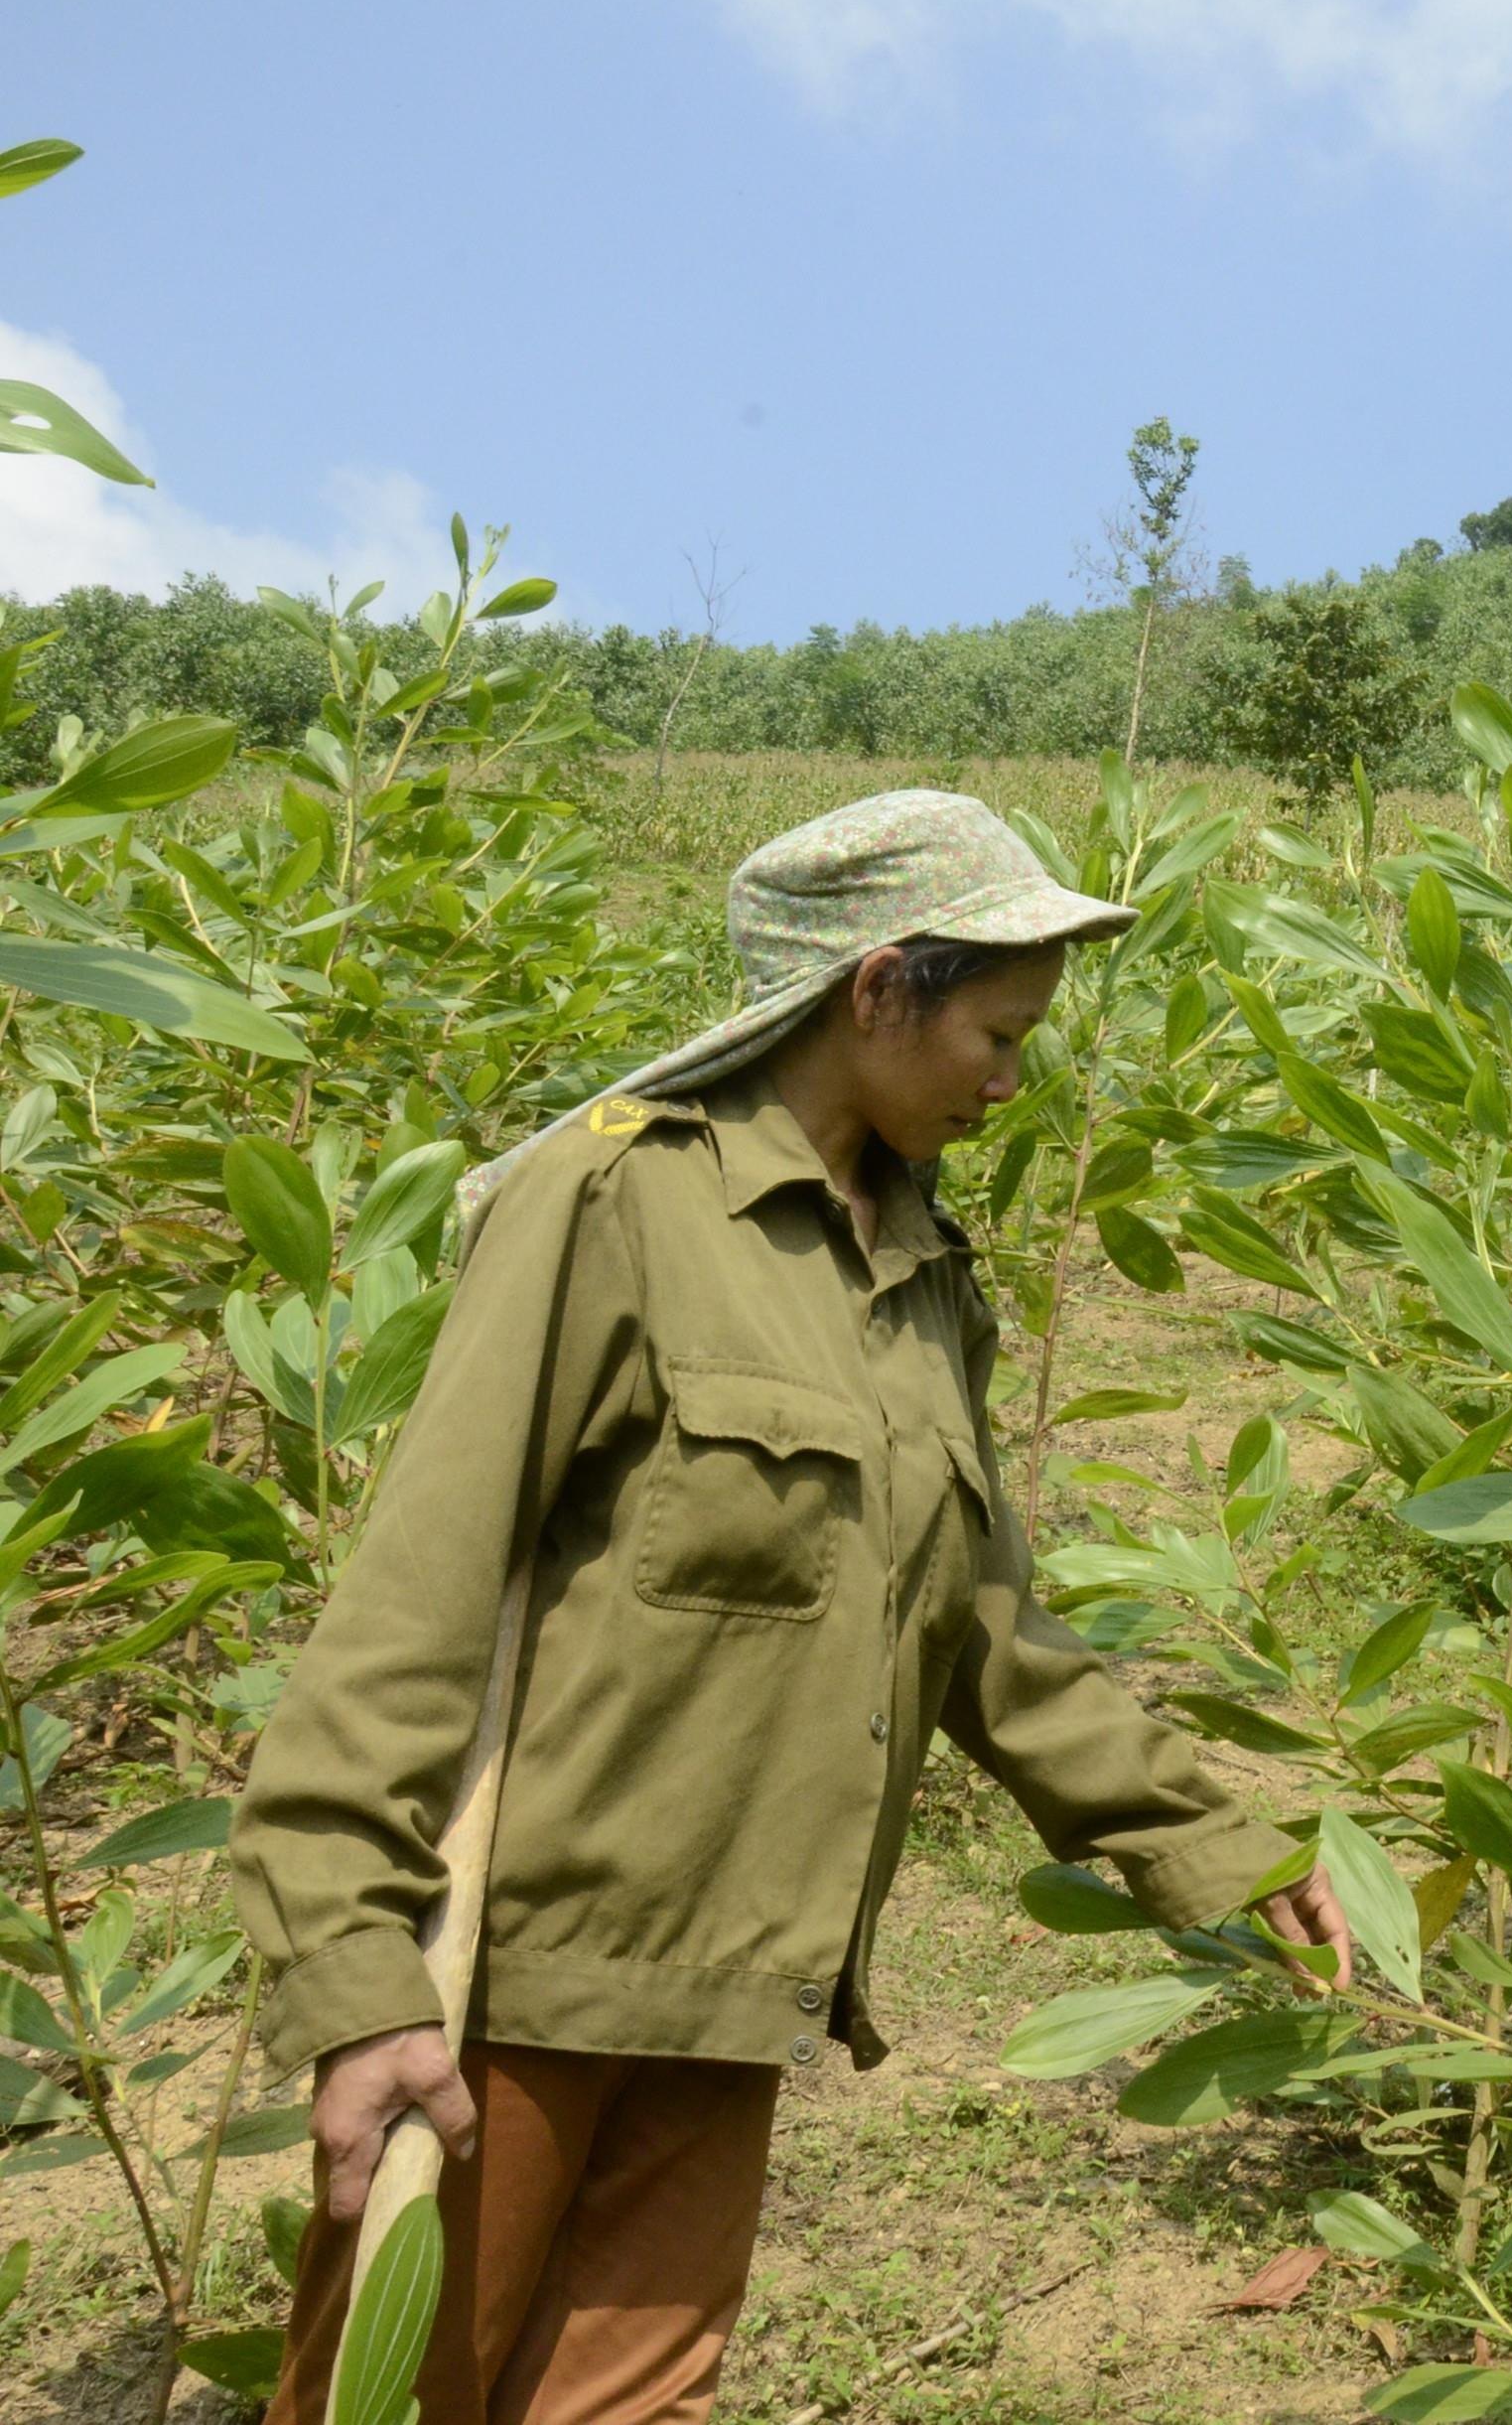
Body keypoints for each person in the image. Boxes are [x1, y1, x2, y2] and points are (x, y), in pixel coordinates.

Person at [232, 792, 1351, 2425]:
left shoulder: (920, 1268)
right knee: (406, 2400)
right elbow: (421, 1591)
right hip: (519, 1977)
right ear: (879, 988)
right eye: (994, 1030)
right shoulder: (611, 1202)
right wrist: (354, 1974)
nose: (1011, 1079)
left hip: (736, 1973)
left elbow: (985, 1627)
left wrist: (1210, 1841)